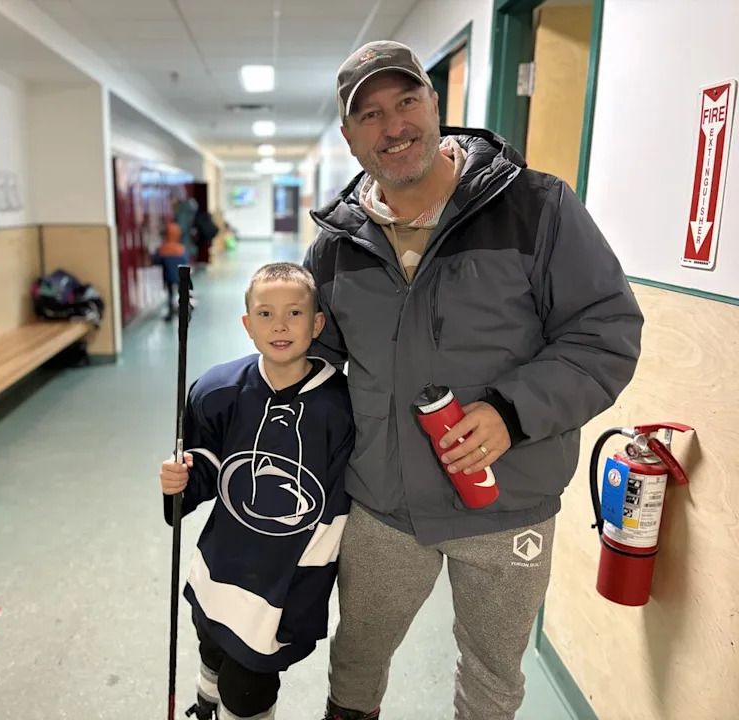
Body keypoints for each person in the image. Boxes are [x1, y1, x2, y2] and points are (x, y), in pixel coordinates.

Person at [304, 40, 644, 720]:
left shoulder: (537, 209)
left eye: (406, 100)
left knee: (492, 679)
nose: (393, 126)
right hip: (383, 503)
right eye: (369, 115)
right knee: (357, 660)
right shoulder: (336, 246)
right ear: (349, 137)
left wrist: (510, 413)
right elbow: (314, 366)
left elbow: (604, 333)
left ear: (436, 105)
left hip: (504, 500)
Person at [160, 262, 355, 720]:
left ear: (317, 324)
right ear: (247, 325)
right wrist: (179, 479)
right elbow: (204, 467)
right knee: (211, 641)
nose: (280, 325)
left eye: (294, 313)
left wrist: (308, 585)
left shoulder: (342, 407)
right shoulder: (217, 389)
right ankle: (206, 701)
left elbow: (336, 511)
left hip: (286, 578)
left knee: (248, 684)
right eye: (265, 314)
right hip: (222, 560)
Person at [152, 221, 190, 321]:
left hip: (168, 276)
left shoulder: (162, 249)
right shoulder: (181, 249)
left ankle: (170, 313)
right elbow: (186, 260)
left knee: (170, 294)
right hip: (181, 276)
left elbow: (156, 260)